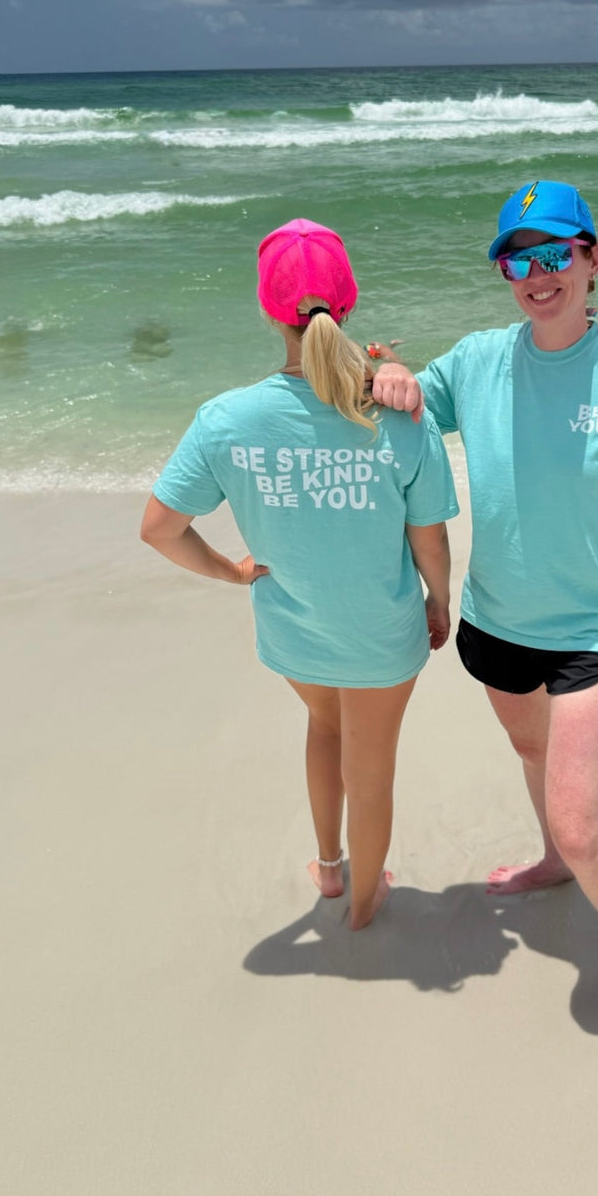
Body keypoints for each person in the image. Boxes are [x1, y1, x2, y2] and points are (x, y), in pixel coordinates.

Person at [371, 181, 598, 1043]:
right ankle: (552, 861)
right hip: (493, 621)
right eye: (518, 257)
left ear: (592, 258)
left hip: (588, 634)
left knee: (587, 825)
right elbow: (402, 406)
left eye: (556, 253)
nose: (538, 274)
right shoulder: (477, 360)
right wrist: (387, 371)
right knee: (528, 749)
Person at [141, 219, 458, 930]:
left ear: (266, 310)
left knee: (323, 725)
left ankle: (329, 868)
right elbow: (430, 541)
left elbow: (159, 529)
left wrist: (232, 571)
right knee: (371, 773)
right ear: (345, 306)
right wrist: (440, 603)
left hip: (292, 624)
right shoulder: (400, 417)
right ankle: (365, 907)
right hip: (379, 631)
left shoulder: (226, 419)